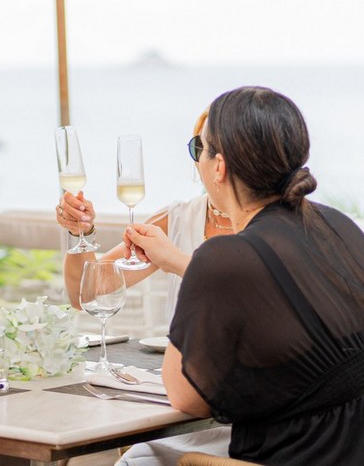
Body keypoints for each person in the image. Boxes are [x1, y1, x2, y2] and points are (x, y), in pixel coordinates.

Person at [123, 86, 364, 465]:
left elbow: (185, 396)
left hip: (341, 450)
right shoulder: (336, 225)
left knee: (140, 459)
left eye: (197, 149)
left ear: (218, 167)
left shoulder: (223, 259)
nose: (197, 161)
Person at [55, 110, 233, 465]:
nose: (201, 158)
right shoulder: (179, 218)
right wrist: (81, 233)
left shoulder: (274, 227)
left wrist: (176, 262)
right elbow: (85, 294)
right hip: (185, 410)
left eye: (206, 147)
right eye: (196, 146)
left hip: (250, 419)